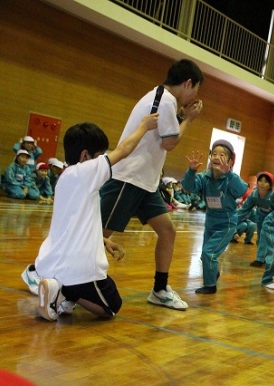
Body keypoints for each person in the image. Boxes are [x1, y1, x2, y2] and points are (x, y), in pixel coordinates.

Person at [22, 113, 159, 321]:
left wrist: (102, 240)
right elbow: (123, 151)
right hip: (78, 269)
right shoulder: (85, 171)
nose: (103, 160)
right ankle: (63, 291)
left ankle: (61, 291)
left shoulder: (66, 179)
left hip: (52, 263)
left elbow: (73, 225)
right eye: (100, 155)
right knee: (112, 307)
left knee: (103, 292)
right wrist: (143, 126)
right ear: (85, 156)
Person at [99, 59, 203, 310]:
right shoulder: (166, 99)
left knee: (167, 231)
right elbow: (170, 142)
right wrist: (188, 119)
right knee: (96, 235)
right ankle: (45, 272)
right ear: (188, 83)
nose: (196, 95)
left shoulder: (162, 98)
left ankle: (159, 289)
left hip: (146, 183)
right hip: (127, 178)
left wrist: (180, 115)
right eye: (196, 88)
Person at [182, 139, 248, 294]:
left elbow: (241, 190)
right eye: (214, 154)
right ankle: (214, 273)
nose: (217, 157)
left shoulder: (231, 179)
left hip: (226, 223)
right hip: (210, 221)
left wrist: (230, 174)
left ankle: (210, 286)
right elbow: (188, 186)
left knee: (209, 253)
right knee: (204, 255)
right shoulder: (205, 177)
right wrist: (191, 171)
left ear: (230, 161)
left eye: (222, 155)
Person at [237, 171, 274, 266]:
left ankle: (260, 259)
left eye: (266, 182)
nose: (262, 183)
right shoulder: (254, 195)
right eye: (260, 181)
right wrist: (233, 220)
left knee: (263, 236)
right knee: (259, 239)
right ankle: (265, 257)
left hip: (273, 217)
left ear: (270, 185)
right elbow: (244, 209)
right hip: (260, 215)